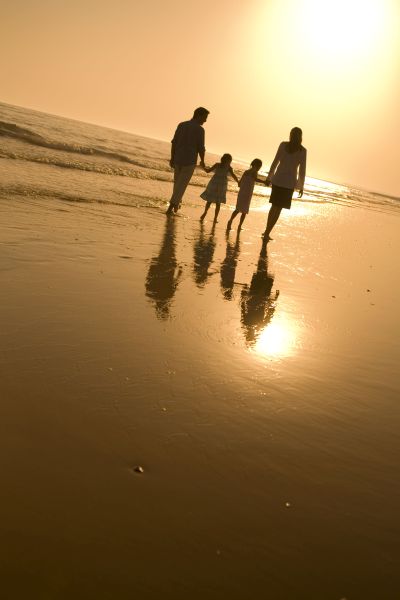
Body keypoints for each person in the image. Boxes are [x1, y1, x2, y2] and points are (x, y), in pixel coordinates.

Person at [263, 127, 307, 240]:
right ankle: (267, 232)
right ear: (300, 137)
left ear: (291, 135)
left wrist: (269, 177)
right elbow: (302, 171)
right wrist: (301, 186)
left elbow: (275, 161)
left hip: (278, 180)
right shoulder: (302, 151)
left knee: (274, 206)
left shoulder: (284, 145)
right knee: (278, 208)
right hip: (288, 183)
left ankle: (267, 231)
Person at [166, 107, 210, 215]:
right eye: (205, 117)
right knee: (181, 186)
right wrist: (203, 161)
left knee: (177, 185)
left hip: (178, 159)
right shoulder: (200, 130)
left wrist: (172, 157)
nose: (205, 120)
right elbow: (201, 147)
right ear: (199, 115)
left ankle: (176, 205)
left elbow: (174, 143)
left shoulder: (182, 125)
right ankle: (171, 207)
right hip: (189, 162)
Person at [199, 153, 239, 223]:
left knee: (213, 201)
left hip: (216, 183)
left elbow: (208, 171)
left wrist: (238, 181)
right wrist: (202, 166)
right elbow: (233, 176)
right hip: (220, 184)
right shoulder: (224, 166)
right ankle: (208, 214)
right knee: (215, 202)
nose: (230, 162)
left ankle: (212, 216)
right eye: (229, 160)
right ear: (225, 160)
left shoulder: (220, 165)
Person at [226, 159, 264, 232]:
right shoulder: (255, 172)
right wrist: (264, 182)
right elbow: (255, 179)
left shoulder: (246, 172)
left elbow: (239, 183)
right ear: (257, 165)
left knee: (237, 209)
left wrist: (244, 185)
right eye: (260, 166)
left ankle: (230, 221)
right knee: (244, 211)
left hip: (242, 192)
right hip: (248, 193)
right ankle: (239, 226)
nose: (260, 168)